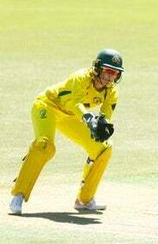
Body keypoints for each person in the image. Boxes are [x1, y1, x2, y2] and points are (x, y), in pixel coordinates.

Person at [9, 49, 124, 214]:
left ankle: (85, 200)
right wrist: (88, 118)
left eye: (115, 73)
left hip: (70, 117)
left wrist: (102, 126)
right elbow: (74, 103)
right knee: (44, 145)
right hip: (47, 106)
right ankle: (18, 195)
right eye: (108, 71)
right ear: (98, 68)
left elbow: (104, 117)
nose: (111, 77)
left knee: (103, 149)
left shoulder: (111, 92)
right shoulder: (81, 77)